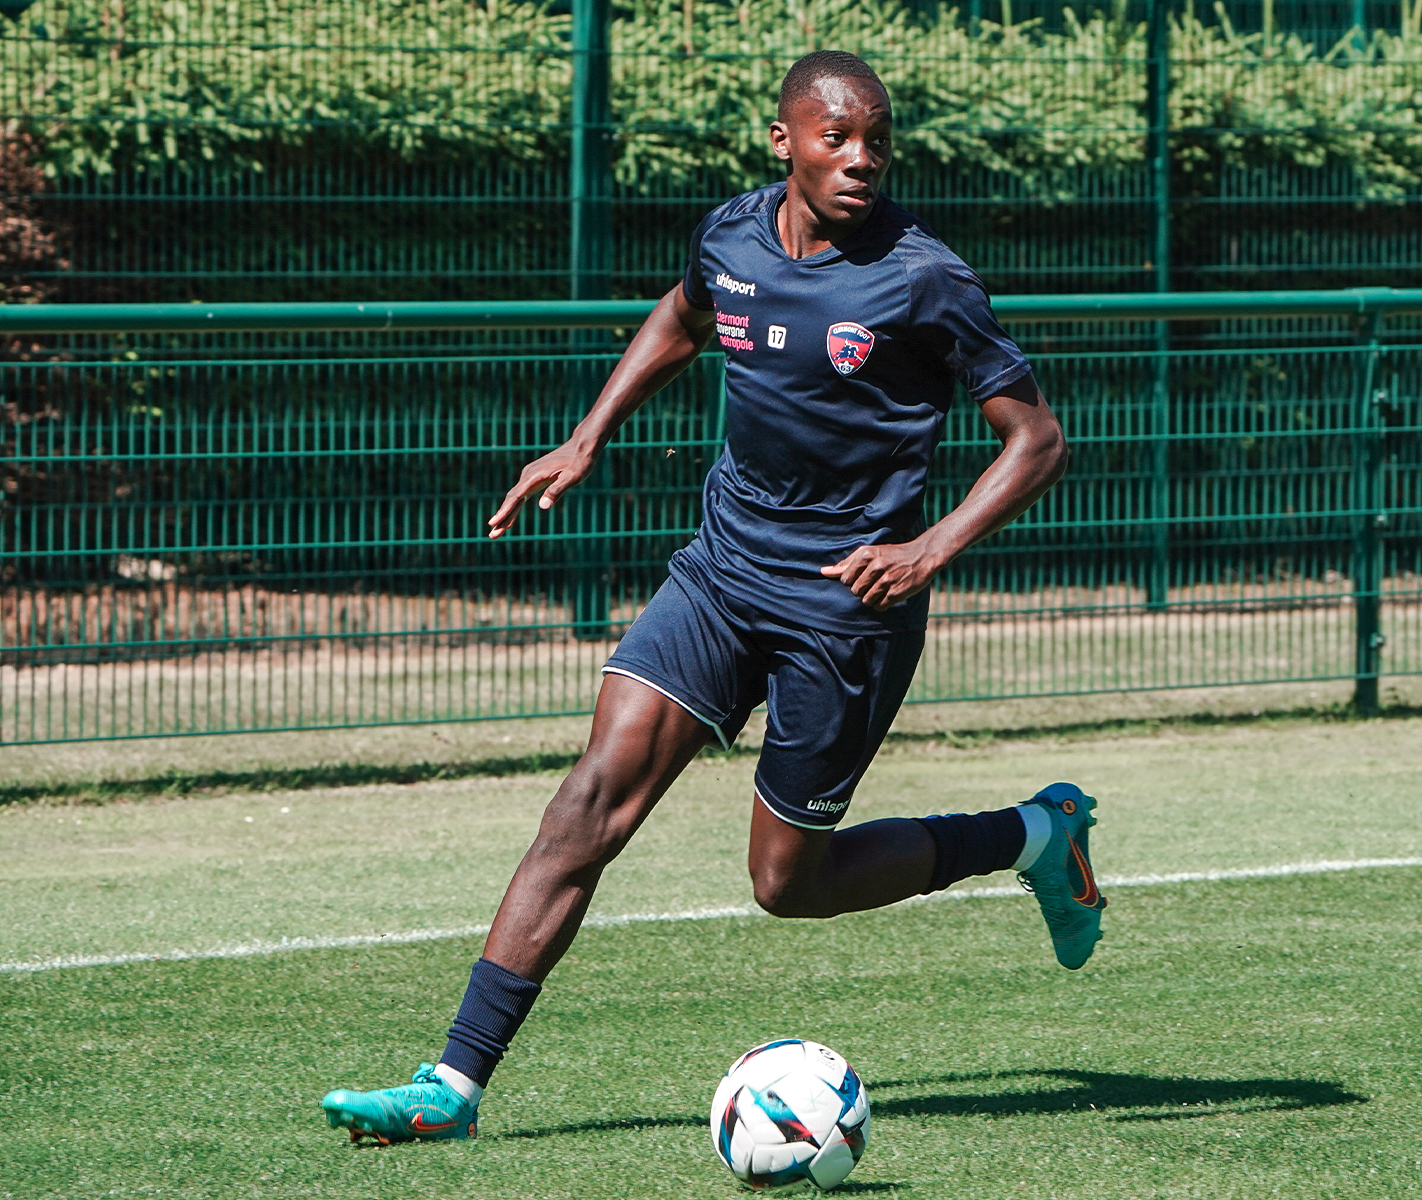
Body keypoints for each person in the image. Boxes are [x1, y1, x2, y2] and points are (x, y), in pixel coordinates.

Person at [320, 49, 1104, 1145]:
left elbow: (1036, 441)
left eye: (877, 139)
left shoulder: (926, 277)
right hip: (721, 572)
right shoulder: (730, 234)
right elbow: (685, 318)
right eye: (836, 138)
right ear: (782, 142)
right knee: (585, 804)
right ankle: (451, 1088)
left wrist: (927, 550)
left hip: (845, 605)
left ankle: (1030, 836)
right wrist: (587, 436)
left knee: (789, 885)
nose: (861, 159)